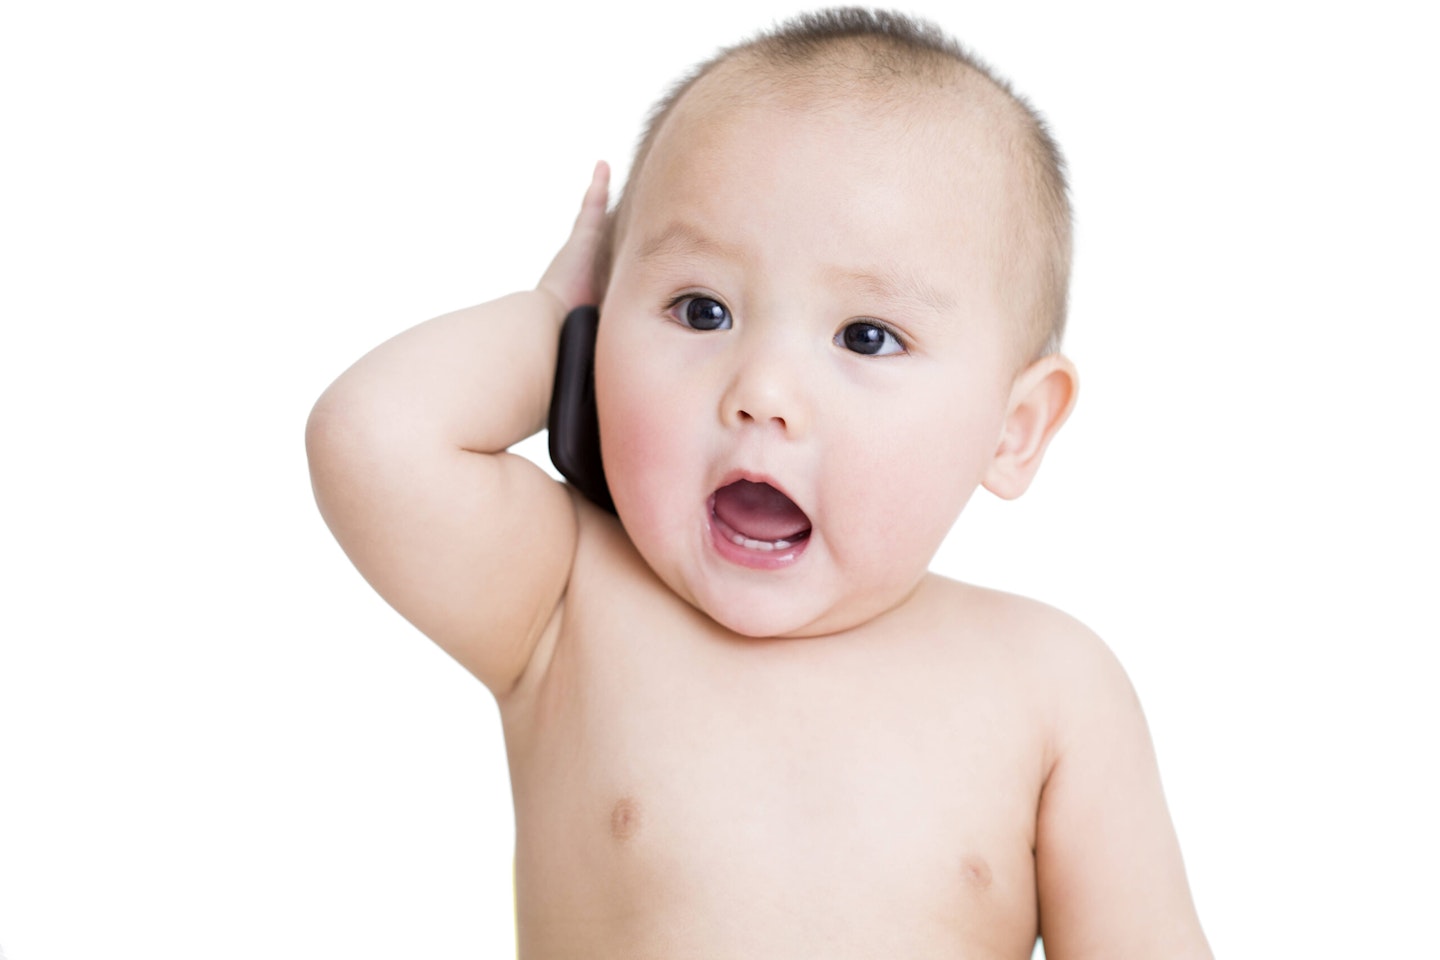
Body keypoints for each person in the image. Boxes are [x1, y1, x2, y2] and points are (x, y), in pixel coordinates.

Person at [307, 8, 1211, 957]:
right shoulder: (567, 603)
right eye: (700, 310)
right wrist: (555, 319)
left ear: (1014, 428)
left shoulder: (1056, 687)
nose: (763, 393)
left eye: (867, 336)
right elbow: (373, 437)